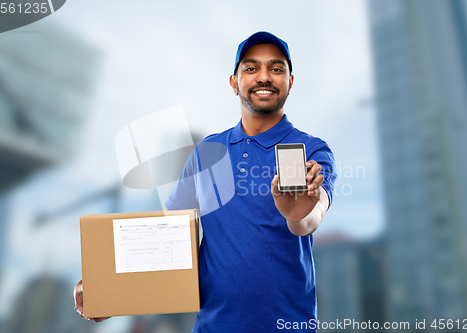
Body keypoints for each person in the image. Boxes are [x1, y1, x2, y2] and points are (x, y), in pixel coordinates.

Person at [74, 31, 336, 332]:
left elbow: (310, 220)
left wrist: (295, 214)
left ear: (290, 81)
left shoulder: (313, 151)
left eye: (276, 69)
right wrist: (109, 292)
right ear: (234, 82)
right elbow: (167, 240)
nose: (264, 77)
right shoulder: (206, 154)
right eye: (251, 68)